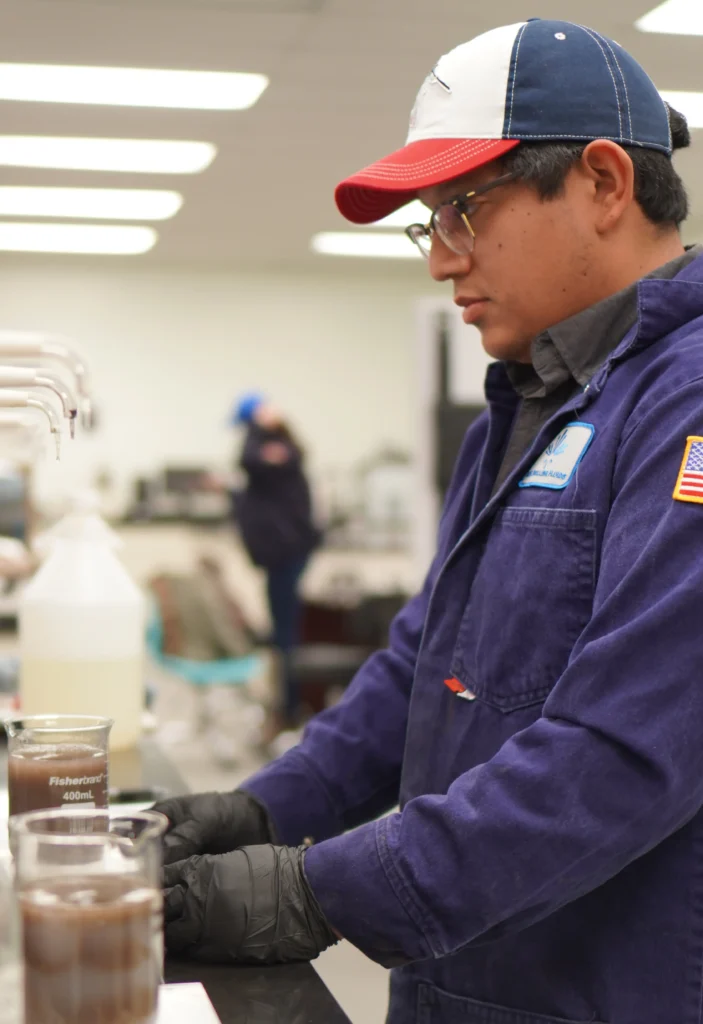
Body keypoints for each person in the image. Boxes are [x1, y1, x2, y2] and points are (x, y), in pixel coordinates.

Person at [155, 19, 703, 1024]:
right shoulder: (525, 404)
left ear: (602, 183)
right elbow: (425, 668)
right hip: (466, 982)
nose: (441, 261)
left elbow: (626, 751)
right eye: (429, 225)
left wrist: (315, 891)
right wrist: (264, 807)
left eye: (462, 212)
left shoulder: (685, 403)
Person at [230, 393, 320, 733]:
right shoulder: (276, 453)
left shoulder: (281, 452)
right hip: (280, 554)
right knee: (281, 633)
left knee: (284, 636)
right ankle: (285, 706)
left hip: (286, 552)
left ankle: (288, 709)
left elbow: (247, 459)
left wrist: (261, 422)